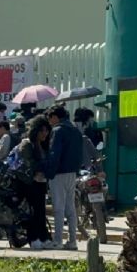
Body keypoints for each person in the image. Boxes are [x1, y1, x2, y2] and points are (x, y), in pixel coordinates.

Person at [45, 106, 83, 250]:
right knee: (70, 208)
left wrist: (49, 172)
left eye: (50, 118)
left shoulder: (57, 130)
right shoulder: (75, 131)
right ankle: (72, 240)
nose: (49, 121)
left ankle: (58, 240)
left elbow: (55, 153)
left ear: (55, 117)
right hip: (72, 173)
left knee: (58, 208)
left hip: (59, 173)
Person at [15, 116, 52, 249]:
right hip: (29, 183)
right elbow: (28, 162)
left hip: (41, 182)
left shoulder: (43, 145)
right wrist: (39, 168)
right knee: (32, 212)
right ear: (36, 130)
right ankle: (34, 238)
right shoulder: (27, 144)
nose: (45, 134)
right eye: (42, 131)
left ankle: (43, 237)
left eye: (47, 131)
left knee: (41, 211)